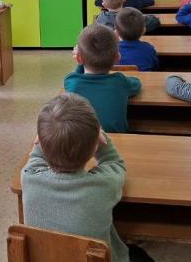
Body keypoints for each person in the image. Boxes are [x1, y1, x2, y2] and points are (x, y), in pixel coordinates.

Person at [22, 93, 153, 262]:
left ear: (39, 141)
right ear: (95, 147)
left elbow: (36, 156)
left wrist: (45, 136)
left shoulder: (29, 178)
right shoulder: (104, 185)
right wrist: (99, 134)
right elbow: (115, 162)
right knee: (139, 255)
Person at [64, 24, 141, 133]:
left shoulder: (71, 81)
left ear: (79, 58)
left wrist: (80, 60)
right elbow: (137, 84)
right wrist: (81, 57)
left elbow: (76, 76)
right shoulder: (120, 81)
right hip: (118, 140)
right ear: (118, 57)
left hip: (84, 139)